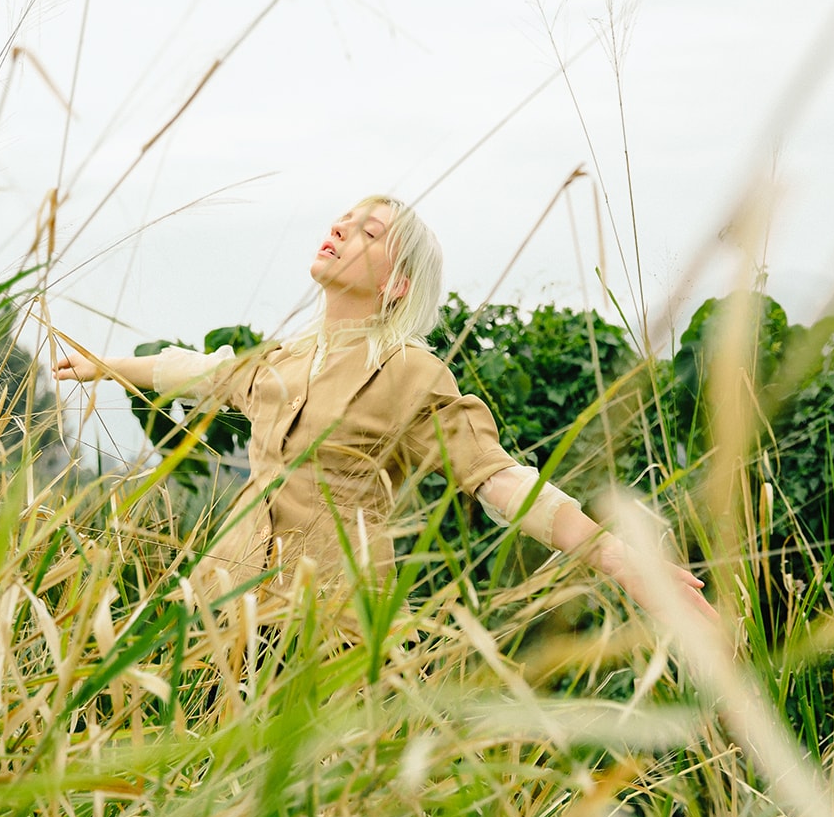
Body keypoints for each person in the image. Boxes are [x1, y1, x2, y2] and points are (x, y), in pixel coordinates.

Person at [54, 194, 717, 625]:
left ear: (398, 284)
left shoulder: (410, 373)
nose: (338, 229)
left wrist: (615, 555)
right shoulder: (283, 360)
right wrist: (104, 365)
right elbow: (198, 372)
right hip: (219, 613)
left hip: (325, 631)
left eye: (366, 231)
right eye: (340, 220)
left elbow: (497, 478)